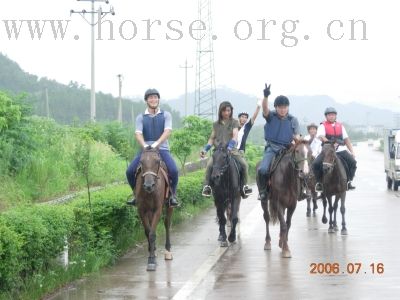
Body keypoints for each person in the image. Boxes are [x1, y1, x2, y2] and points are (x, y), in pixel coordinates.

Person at [126, 88, 179, 207]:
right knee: (129, 171)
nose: (153, 99)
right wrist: (145, 145)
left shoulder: (166, 115)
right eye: (150, 97)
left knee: (174, 171)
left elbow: (167, 131)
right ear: (146, 100)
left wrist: (156, 144)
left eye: (155, 97)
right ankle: (136, 194)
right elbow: (138, 133)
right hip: (146, 150)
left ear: (158, 99)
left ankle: (172, 196)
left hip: (162, 149)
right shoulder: (141, 117)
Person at [257, 83, 300, 201]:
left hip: (288, 149)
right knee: (263, 169)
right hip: (272, 148)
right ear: (276, 107)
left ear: (288, 107)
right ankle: (263, 191)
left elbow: (296, 136)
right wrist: (265, 96)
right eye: (280, 107)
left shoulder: (293, 120)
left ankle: (301, 190)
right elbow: (265, 109)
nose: (282, 109)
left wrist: (297, 143)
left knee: (302, 166)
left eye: (285, 107)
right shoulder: (271, 116)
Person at [200, 101, 252, 197]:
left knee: (244, 165)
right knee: (209, 166)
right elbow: (211, 139)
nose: (226, 113)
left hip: (232, 150)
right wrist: (205, 150)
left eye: (228, 110)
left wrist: (229, 147)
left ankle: (244, 186)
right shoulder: (216, 124)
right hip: (219, 151)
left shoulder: (234, 122)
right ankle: (207, 186)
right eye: (224, 110)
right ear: (220, 111)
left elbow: (235, 135)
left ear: (231, 111)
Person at [312, 107, 357, 192]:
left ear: (335, 116)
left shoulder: (340, 126)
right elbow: (321, 136)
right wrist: (330, 143)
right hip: (327, 151)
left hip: (340, 150)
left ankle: (349, 181)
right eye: (329, 115)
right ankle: (319, 183)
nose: (331, 116)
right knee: (315, 164)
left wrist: (352, 152)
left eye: (333, 115)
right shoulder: (322, 126)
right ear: (326, 116)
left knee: (353, 162)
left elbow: (346, 139)